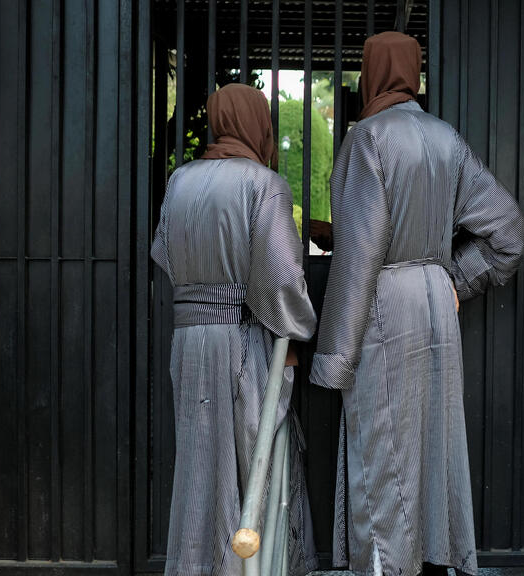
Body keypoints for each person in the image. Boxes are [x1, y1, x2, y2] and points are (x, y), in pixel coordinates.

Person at [310, 31, 524, 576]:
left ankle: (387, 569)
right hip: (433, 305)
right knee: (432, 452)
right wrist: (455, 278)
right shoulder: (447, 139)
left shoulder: (368, 139)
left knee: (382, 454)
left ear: (370, 73)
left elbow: (360, 258)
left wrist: (332, 361)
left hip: (384, 307)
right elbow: (509, 233)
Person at [151, 83, 319, 576]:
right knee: (250, 470)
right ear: (258, 124)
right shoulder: (262, 184)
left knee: (200, 470)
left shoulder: (179, 181)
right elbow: (283, 280)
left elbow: (162, 252)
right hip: (238, 344)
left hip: (188, 343)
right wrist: (298, 330)